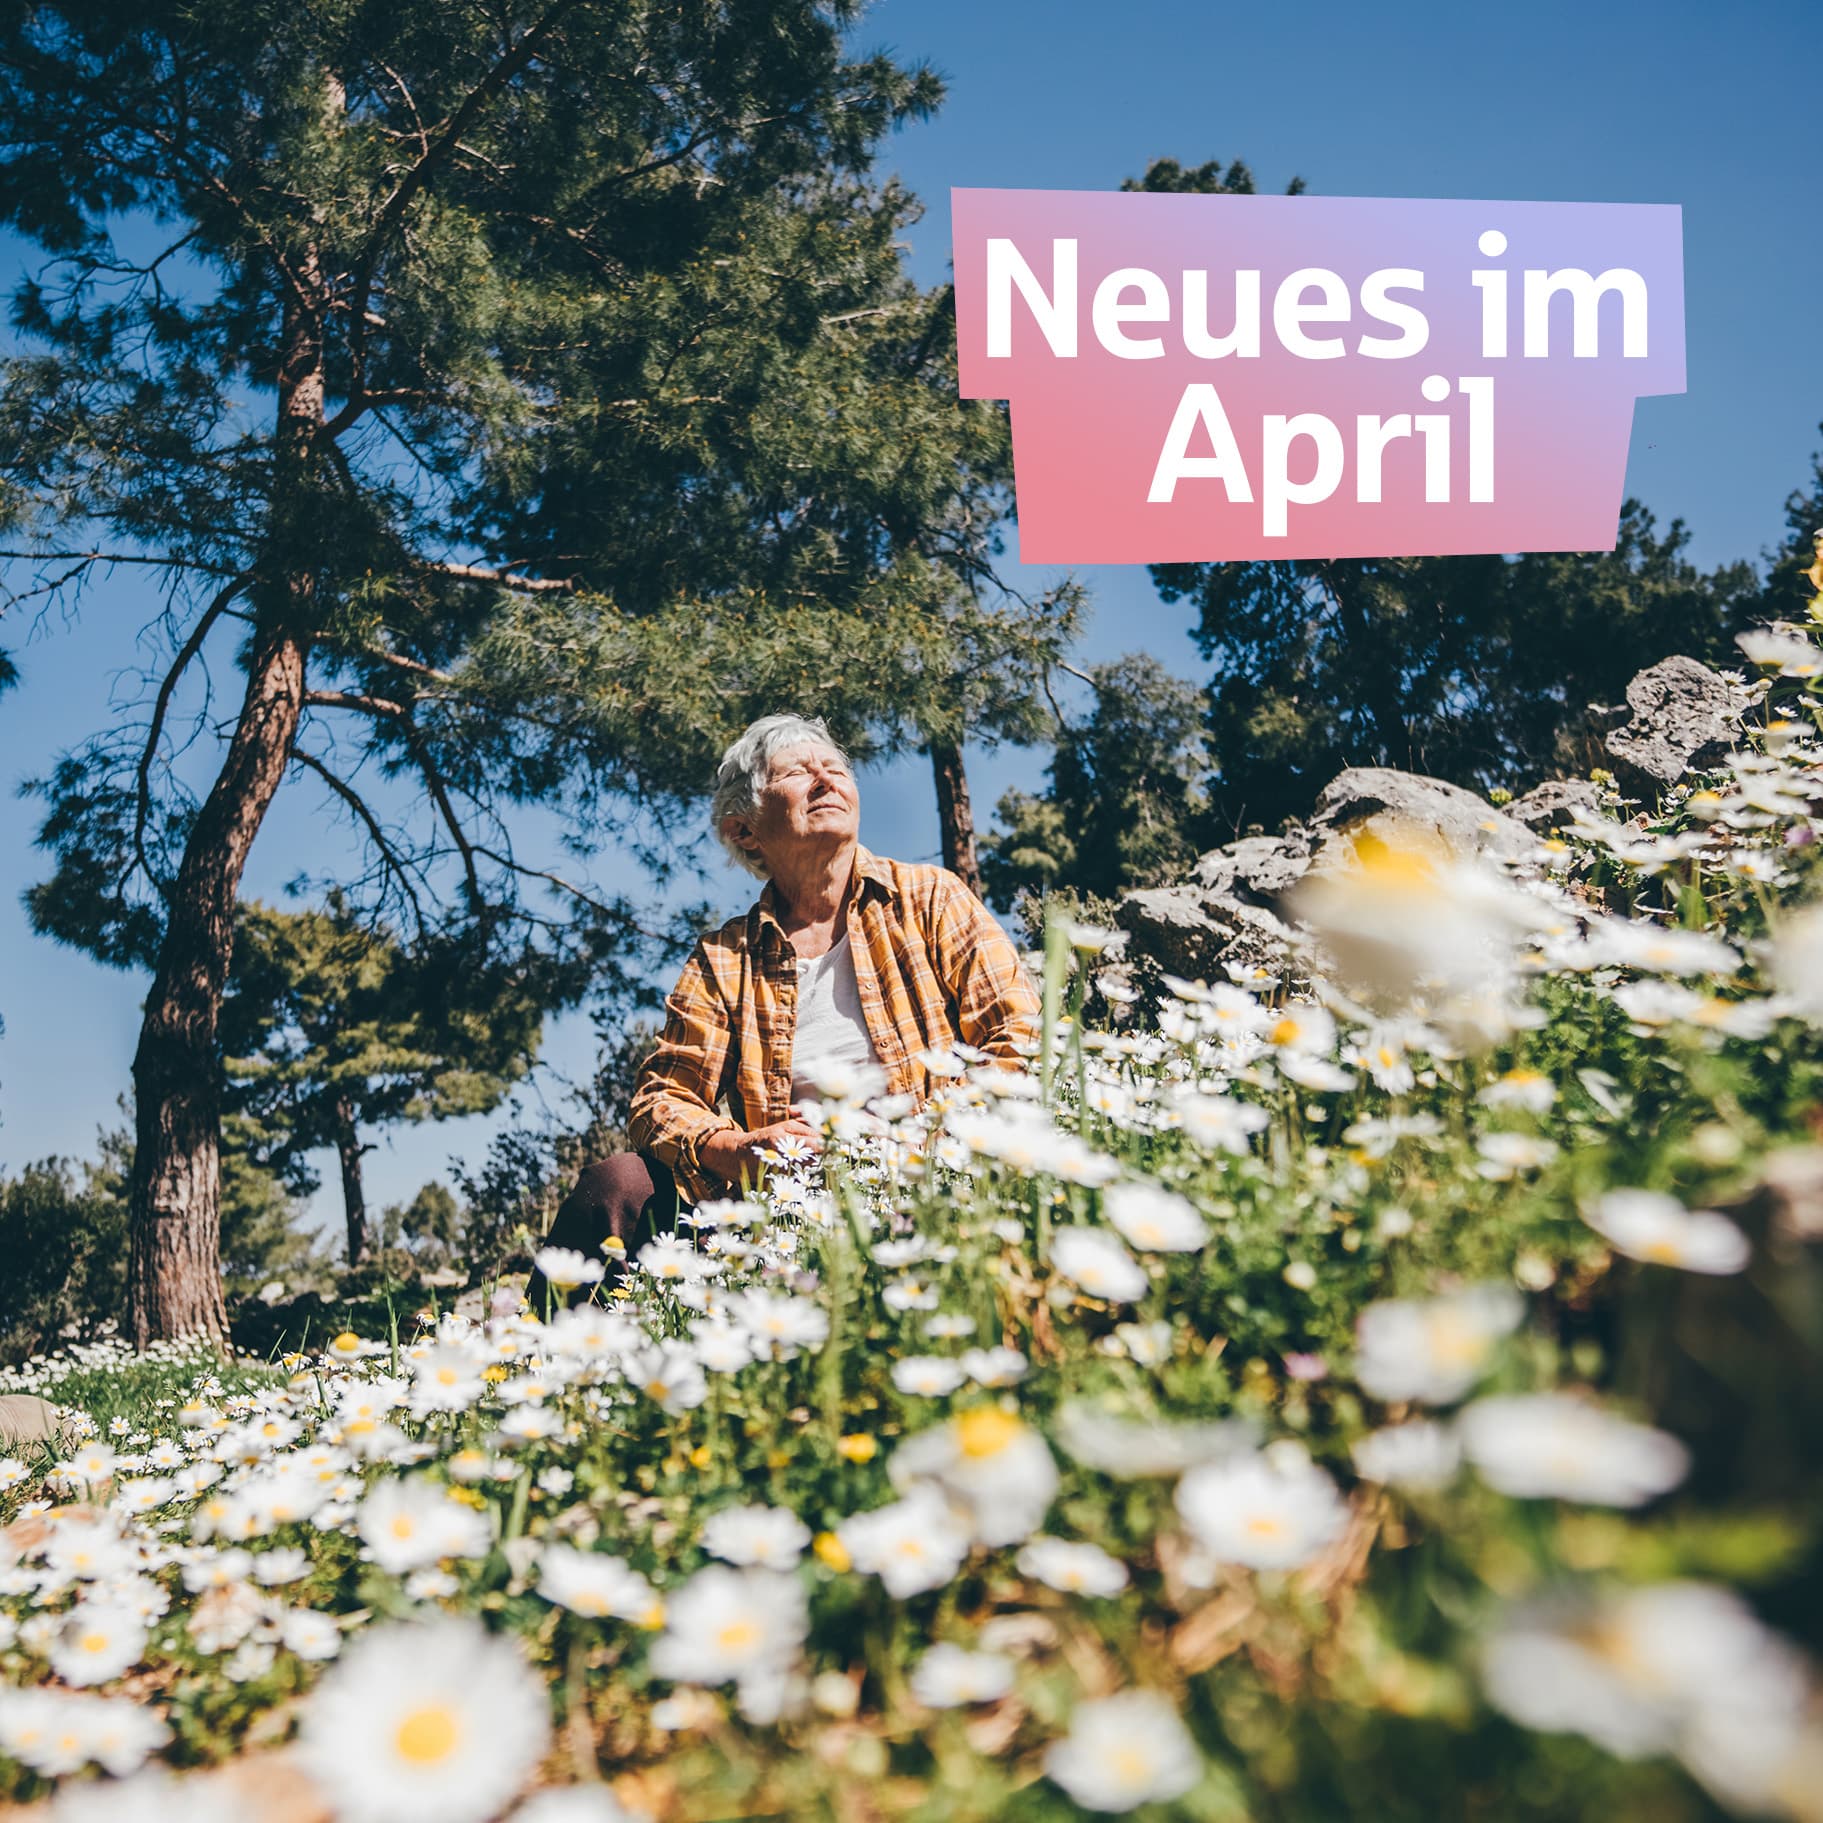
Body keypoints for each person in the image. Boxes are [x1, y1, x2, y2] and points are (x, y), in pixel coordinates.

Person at [524, 713, 1042, 1309]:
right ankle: (531, 1373)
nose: (826, 780)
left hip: (933, 1183)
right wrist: (735, 1150)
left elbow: (1019, 1034)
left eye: (836, 768)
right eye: (797, 772)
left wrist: (926, 1145)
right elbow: (661, 1097)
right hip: (774, 1220)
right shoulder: (725, 956)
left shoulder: (931, 898)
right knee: (614, 1186)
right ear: (744, 830)